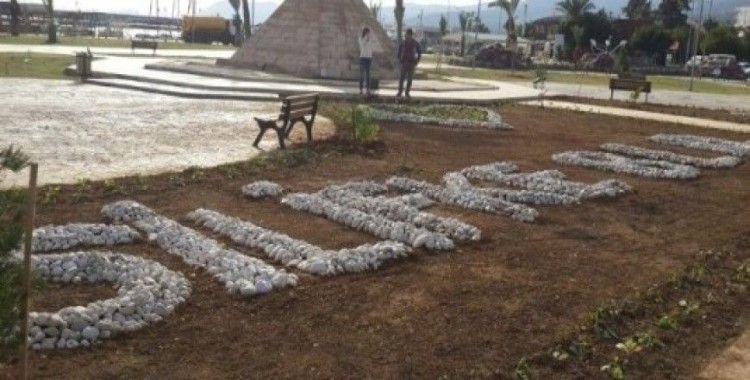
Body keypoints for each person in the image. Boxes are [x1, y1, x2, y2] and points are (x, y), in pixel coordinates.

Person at [396, 28, 422, 100]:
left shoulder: (415, 43)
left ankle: (407, 93)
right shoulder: (403, 43)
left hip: (411, 63)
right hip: (404, 62)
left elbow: (419, 52)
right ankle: (400, 92)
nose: (406, 35)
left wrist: (416, 61)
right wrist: (399, 60)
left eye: (407, 34)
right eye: (406, 34)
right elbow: (399, 51)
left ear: (410, 35)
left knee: (409, 80)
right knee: (401, 79)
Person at [358, 27, 374, 96]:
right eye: (367, 32)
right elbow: (362, 45)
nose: (368, 34)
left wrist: (369, 39)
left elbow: (371, 47)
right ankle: (361, 89)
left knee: (368, 74)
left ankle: (368, 89)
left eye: (369, 32)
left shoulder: (370, 39)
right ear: (364, 32)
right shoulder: (361, 38)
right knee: (362, 74)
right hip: (363, 57)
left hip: (369, 58)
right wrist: (365, 38)